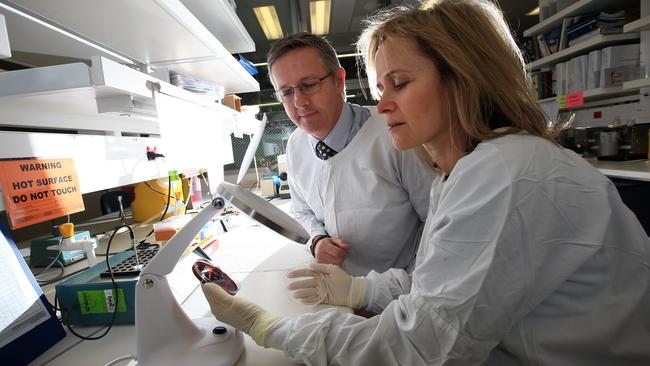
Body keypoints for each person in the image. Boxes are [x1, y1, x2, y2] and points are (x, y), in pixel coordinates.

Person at [202, 1, 650, 364]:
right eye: (381, 88)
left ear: (461, 79)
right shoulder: (463, 172)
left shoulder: (503, 174)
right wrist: (360, 289)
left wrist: (270, 327)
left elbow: (420, 348)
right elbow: (437, 280)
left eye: (398, 83)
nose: (385, 105)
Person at [266, 32, 434, 276]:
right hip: (336, 291)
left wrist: (405, 288)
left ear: (338, 81)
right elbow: (301, 211)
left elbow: (434, 219)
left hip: (399, 296)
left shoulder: (393, 134)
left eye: (309, 85)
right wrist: (317, 240)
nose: (299, 101)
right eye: (287, 92)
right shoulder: (295, 145)